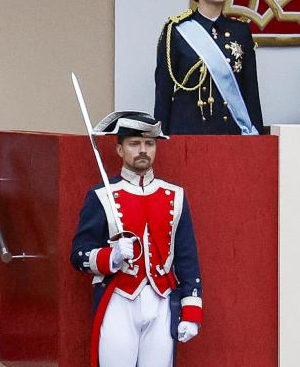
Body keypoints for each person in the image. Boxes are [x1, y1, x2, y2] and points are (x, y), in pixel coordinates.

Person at [70, 111, 202, 367]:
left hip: (161, 300)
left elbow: (187, 259)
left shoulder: (174, 195)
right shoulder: (102, 195)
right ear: (119, 149)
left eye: (149, 143)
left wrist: (192, 311)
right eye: (134, 143)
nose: (143, 150)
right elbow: (78, 255)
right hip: (119, 298)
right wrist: (111, 255)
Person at [154, 0, 263, 135]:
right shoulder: (176, 30)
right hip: (187, 130)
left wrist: (257, 135)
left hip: (231, 130)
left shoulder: (241, 31)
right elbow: (163, 91)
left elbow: (250, 89)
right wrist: (160, 137)